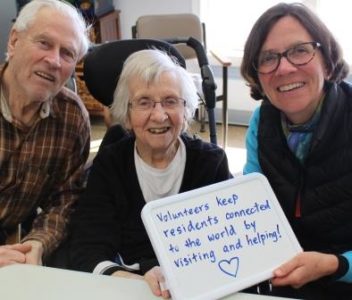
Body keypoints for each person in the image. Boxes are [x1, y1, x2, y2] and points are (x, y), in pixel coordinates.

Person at [68, 49, 232, 297]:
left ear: (186, 109)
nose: (159, 115)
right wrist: (130, 279)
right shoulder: (110, 164)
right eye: (144, 102)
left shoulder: (210, 163)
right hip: (127, 287)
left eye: (170, 101)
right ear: (127, 112)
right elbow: (87, 246)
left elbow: (227, 245)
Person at [240, 2, 352, 298]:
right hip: (283, 273)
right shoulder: (260, 123)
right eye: (268, 58)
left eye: (300, 50)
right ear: (258, 76)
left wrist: (336, 265)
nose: (285, 67)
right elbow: (253, 211)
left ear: (327, 61)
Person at [0, 0, 90, 267]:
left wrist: (38, 242)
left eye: (67, 53)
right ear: (14, 41)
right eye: (44, 43)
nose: (53, 61)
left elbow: (65, 200)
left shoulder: (72, 118)